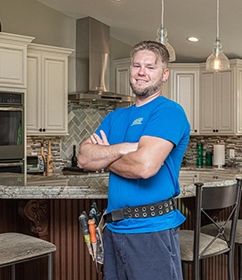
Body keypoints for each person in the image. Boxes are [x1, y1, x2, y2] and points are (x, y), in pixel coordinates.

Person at [78, 40, 190, 280]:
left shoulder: (169, 111)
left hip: (152, 231)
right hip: (114, 229)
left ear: (164, 74)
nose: (141, 72)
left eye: (150, 67)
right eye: (136, 65)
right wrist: (127, 148)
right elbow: (84, 157)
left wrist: (106, 155)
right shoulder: (115, 116)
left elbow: (144, 166)